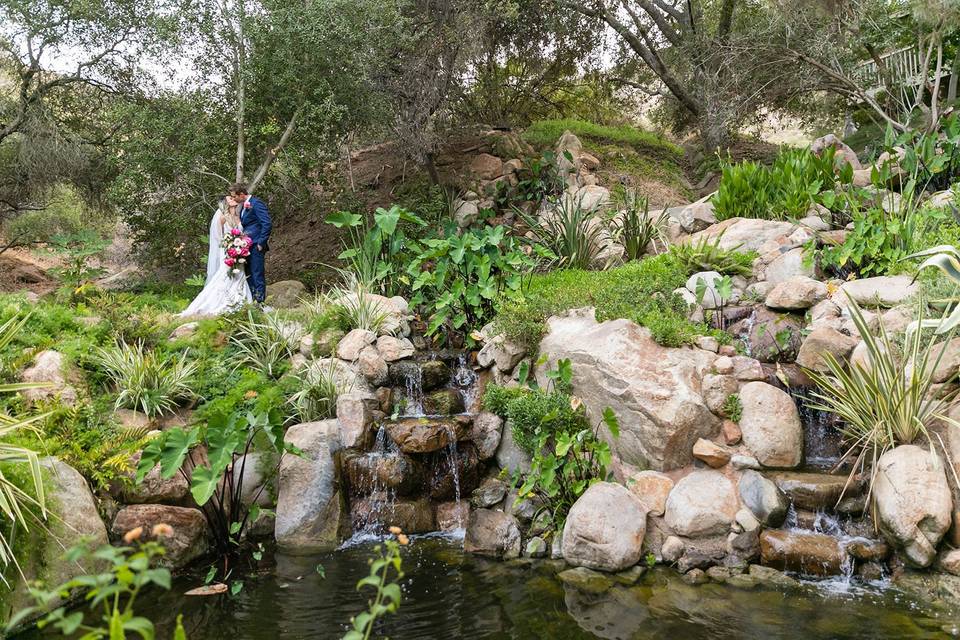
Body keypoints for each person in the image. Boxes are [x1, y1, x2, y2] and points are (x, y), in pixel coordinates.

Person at [179, 196, 252, 317]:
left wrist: (243, 243)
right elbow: (218, 237)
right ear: (226, 203)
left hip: (240, 250)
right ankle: (220, 301)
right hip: (228, 251)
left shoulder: (238, 217)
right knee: (226, 275)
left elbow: (242, 233)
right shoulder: (223, 217)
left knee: (239, 274)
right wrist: (230, 245)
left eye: (233, 197)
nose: (233, 199)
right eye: (230, 198)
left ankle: (239, 300)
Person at [229, 182, 272, 304]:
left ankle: (260, 301)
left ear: (242, 194)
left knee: (257, 273)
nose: (233, 199)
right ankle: (253, 299)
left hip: (256, 246)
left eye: (234, 196)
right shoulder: (244, 206)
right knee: (249, 274)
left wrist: (261, 242)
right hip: (246, 247)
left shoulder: (256, 204)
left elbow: (266, 223)